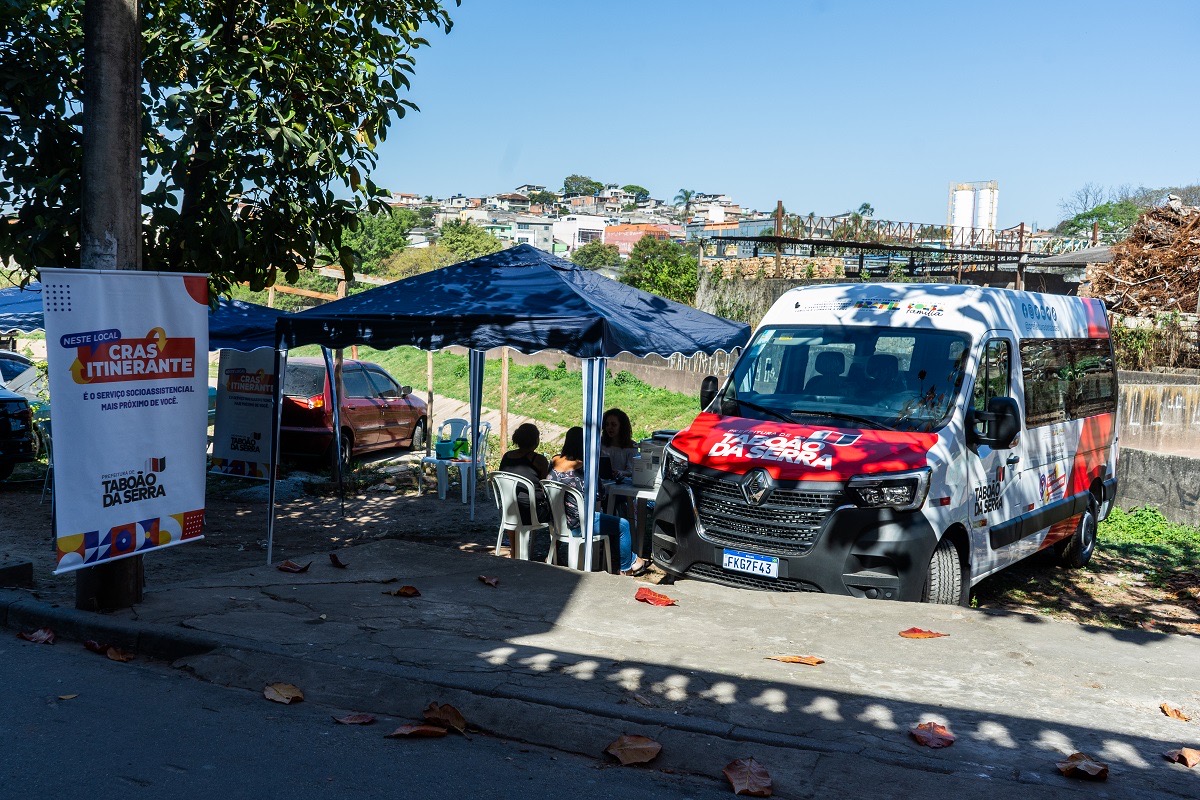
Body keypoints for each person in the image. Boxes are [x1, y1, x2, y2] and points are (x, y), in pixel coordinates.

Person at [548, 426, 647, 576]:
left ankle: (633, 561)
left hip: (558, 521)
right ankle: (628, 566)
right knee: (623, 525)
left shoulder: (554, 462)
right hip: (580, 523)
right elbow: (600, 495)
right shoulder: (585, 468)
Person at [497, 423, 551, 556]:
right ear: (535, 441)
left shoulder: (507, 456)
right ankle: (554, 555)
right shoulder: (539, 460)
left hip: (508, 509)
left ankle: (515, 550)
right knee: (556, 510)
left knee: (516, 505)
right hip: (532, 512)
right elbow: (545, 485)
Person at [600, 408, 638, 480]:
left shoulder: (632, 446)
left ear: (622, 426)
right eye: (607, 424)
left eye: (613, 425)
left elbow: (631, 471)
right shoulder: (600, 443)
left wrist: (620, 473)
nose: (609, 428)